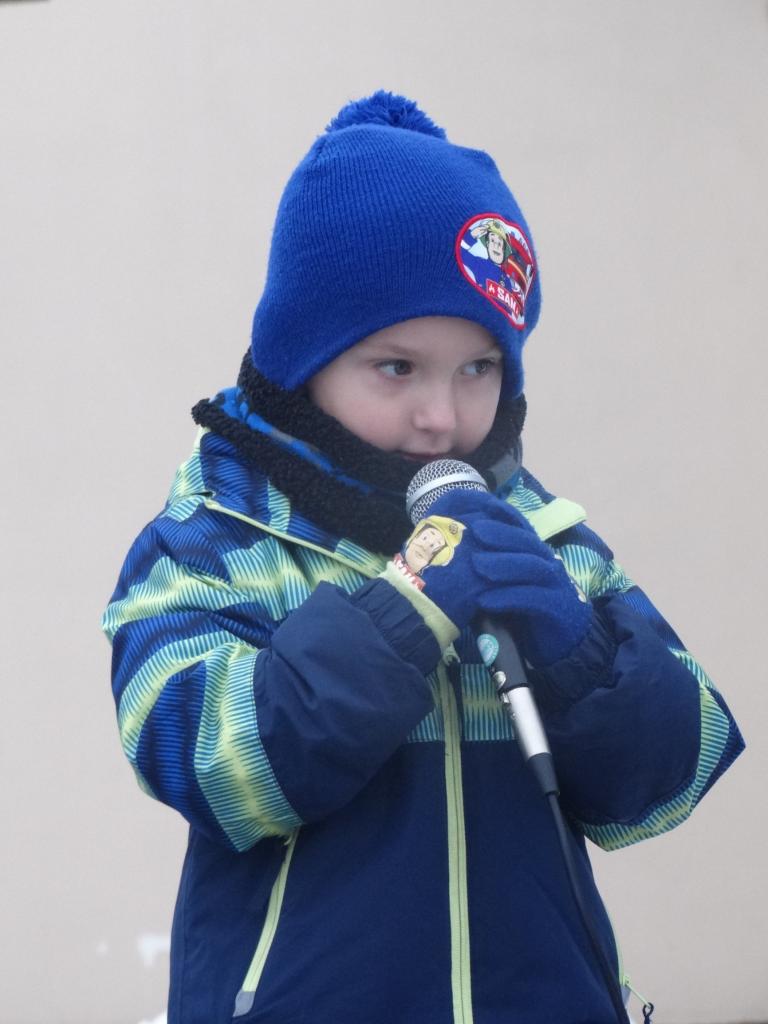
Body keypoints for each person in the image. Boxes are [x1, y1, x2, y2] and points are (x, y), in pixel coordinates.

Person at [101, 90, 744, 1024]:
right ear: (303, 362)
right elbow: (198, 760)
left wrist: (579, 654)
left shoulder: (539, 536)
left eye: (478, 367)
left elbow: (672, 779)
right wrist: (402, 615)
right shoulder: (219, 533)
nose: (442, 415)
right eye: (397, 368)